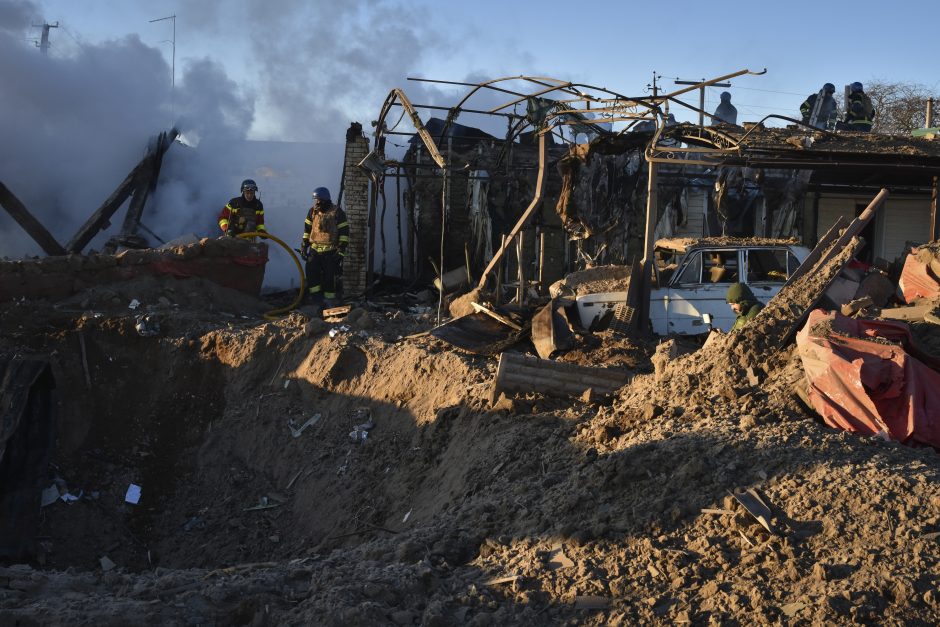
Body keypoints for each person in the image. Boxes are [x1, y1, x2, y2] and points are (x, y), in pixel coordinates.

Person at [301, 187, 349, 306]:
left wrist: (341, 251)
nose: (316, 202)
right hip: (314, 251)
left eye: (319, 200)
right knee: (312, 275)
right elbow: (307, 231)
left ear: (325, 200)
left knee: (330, 278)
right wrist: (304, 246)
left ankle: (330, 302)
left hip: (330, 252)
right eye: (315, 200)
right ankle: (316, 300)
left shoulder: (337, 212)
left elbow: (344, 232)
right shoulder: (312, 212)